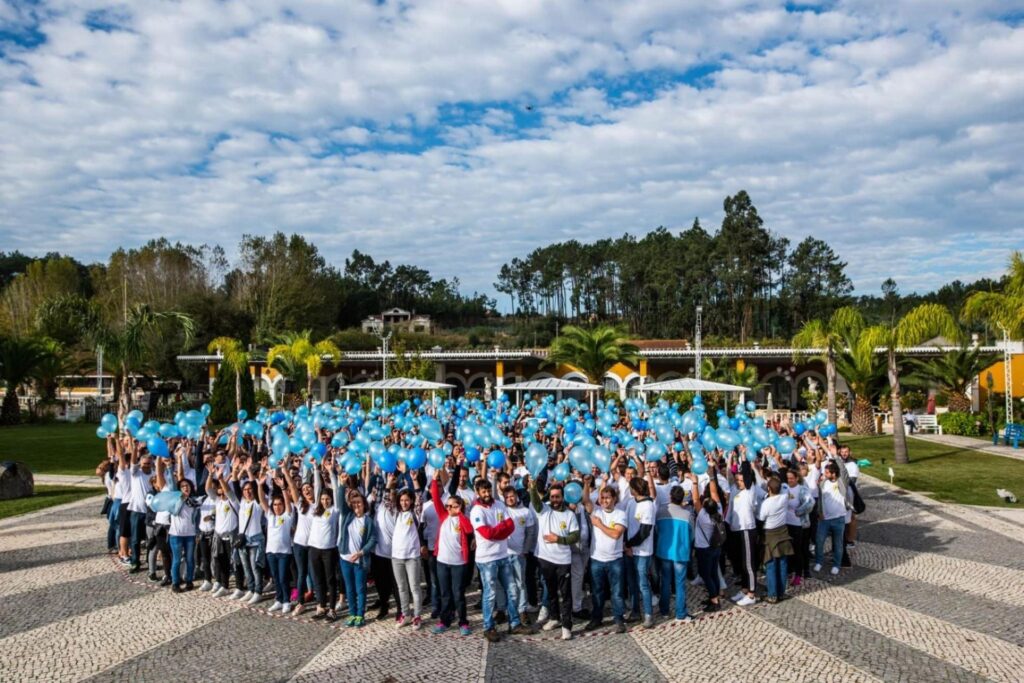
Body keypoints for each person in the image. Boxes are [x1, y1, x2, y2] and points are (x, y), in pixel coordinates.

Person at [471, 478, 531, 642]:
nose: (487, 494)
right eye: (483, 491)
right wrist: (501, 531)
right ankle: (488, 627)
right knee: (490, 594)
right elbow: (486, 533)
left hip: (503, 555)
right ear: (478, 492)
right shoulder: (476, 511)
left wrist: (497, 532)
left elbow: (511, 525)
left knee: (512, 590)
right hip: (486, 559)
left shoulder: (499, 505)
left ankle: (515, 623)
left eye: (488, 490)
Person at [530, 479, 580, 640]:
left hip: (563, 560)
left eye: (557, 497)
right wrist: (532, 487)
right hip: (545, 559)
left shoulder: (569, 514)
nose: (555, 500)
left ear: (562, 497)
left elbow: (575, 536)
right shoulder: (544, 509)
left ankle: (566, 625)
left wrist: (558, 539)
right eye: (552, 497)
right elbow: (535, 502)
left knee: (565, 594)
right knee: (550, 591)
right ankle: (554, 618)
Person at [430, 469, 474, 635]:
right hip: (442, 562)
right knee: (445, 594)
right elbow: (436, 499)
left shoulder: (463, 519)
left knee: (458, 594)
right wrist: (434, 481)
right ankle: (445, 620)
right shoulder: (443, 516)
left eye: (452, 505)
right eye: (447, 506)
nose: (448, 508)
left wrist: (459, 513)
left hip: (458, 563)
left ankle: (463, 622)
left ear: (459, 506)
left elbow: (469, 529)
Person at [582, 478, 627, 633]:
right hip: (596, 559)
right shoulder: (596, 511)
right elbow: (586, 500)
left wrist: (599, 525)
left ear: (614, 499)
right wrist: (586, 483)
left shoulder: (620, 514)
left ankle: (619, 619)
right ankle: (597, 618)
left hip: (615, 560)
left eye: (608, 498)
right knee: (597, 592)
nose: (604, 501)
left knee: (617, 592)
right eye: (602, 498)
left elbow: (616, 534)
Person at [333, 465, 376, 627]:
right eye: (354, 503)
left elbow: (373, 539)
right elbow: (340, 502)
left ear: (364, 504)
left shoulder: (368, 521)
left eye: (359, 502)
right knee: (349, 588)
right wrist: (342, 484)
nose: (357, 505)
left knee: (360, 589)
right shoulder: (347, 516)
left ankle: (360, 615)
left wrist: (361, 552)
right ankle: (352, 613)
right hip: (345, 558)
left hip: (360, 561)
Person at [386, 469, 425, 630]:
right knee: (402, 588)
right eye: (401, 500)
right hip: (396, 557)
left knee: (414, 587)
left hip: (412, 556)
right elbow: (387, 501)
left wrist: (414, 480)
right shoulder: (396, 513)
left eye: (407, 500)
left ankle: (417, 615)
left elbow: (420, 499)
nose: (404, 503)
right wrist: (390, 484)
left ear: (411, 501)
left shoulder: (415, 513)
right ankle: (406, 614)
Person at [655, 480, 695, 622]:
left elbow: (657, 530)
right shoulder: (687, 515)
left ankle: (664, 610)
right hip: (680, 552)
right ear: (682, 499)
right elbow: (692, 535)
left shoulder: (661, 511)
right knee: (680, 584)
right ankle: (681, 614)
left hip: (664, 551)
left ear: (670, 496)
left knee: (665, 581)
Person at [257, 465, 294, 614]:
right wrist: (260, 486)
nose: (277, 507)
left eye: (280, 505)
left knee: (284, 577)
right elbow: (262, 500)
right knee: (276, 577)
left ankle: (286, 601)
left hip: (284, 552)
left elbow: (288, 503)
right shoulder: (270, 516)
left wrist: (283, 488)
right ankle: (278, 599)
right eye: (275, 505)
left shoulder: (287, 516)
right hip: (271, 552)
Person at [307, 464, 340, 621]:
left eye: (327, 499)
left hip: (328, 550)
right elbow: (317, 488)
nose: (325, 501)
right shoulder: (316, 508)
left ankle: (332, 609)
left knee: (330, 579)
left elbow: (336, 490)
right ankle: (321, 606)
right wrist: (315, 469)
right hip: (314, 548)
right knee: (318, 579)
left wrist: (331, 473)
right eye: (323, 499)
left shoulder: (334, 510)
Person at [624, 473, 657, 627]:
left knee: (643, 584)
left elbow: (644, 532)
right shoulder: (631, 502)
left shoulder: (648, 505)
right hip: (630, 550)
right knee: (632, 583)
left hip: (642, 551)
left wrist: (629, 544)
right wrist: (626, 545)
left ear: (635, 489)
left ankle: (648, 614)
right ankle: (635, 611)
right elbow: (626, 525)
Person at [693, 464, 725, 613]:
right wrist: (712, 476)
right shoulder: (719, 512)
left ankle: (714, 600)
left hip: (704, 549)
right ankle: (715, 595)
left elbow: (695, 499)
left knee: (706, 575)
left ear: (705, 508)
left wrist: (694, 482)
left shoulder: (703, 517)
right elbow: (714, 491)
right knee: (713, 573)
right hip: (715, 547)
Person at [726, 458, 758, 606]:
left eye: (741, 480)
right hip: (736, 529)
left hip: (747, 529)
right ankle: (745, 589)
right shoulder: (735, 489)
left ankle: (751, 594)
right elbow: (729, 476)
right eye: (737, 480)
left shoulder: (750, 491)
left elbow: (747, 473)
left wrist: (744, 458)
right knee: (741, 563)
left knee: (749, 564)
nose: (739, 482)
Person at [758, 476, 793, 603]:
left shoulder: (766, 503)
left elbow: (761, 518)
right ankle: (781, 593)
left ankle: (772, 595)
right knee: (783, 564)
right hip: (783, 532)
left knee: (771, 565)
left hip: (770, 534)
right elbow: (786, 490)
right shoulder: (784, 497)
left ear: (769, 489)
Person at [815, 460, 850, 575]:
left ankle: (836, 564)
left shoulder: (841, 482)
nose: (824, 474)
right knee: (819, 541)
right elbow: (821, 499)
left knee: (838, 543)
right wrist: (820, 511)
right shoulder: (823, 483)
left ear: (834, 473)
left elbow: (843, 471)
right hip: (824, 519)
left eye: (827, 473)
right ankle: (819, 562)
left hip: (839, 519)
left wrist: (835, 456)